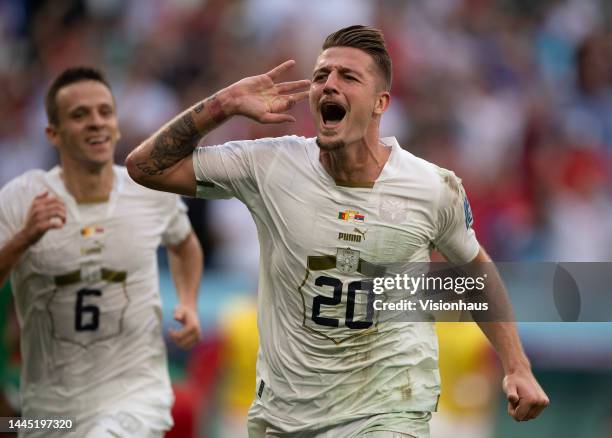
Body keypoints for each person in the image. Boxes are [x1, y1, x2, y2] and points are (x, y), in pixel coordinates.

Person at [126, 25, 549, 437]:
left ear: (381, 102)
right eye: (321, 75)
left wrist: (517, 366)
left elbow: (473, 272)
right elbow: (145, 167)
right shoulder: (267, 165)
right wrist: (223, 104)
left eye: (348, 76)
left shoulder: (432, 188)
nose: (329, 84)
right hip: (286, 416)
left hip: (388, 410)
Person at [0, 67, 203, 437]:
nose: (96, 123)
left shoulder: (149, 191)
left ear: (117, 126)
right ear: (53, 134)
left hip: (135, 395)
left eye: (105, 112)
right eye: (80, 115)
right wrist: (24, 238)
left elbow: (184, 243)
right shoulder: (21, 198)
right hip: (49, 408)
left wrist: (188, 302)